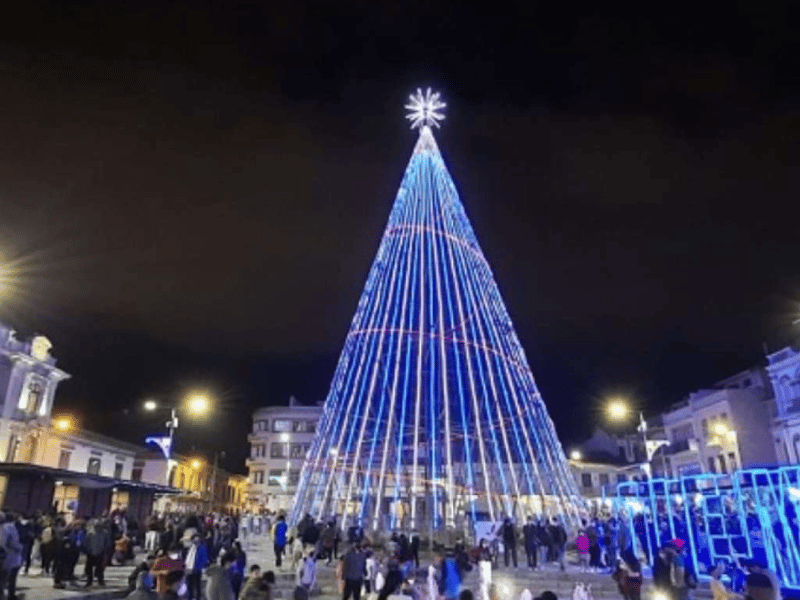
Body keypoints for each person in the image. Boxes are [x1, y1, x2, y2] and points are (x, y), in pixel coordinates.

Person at [1, 512, 23, 600]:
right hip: (7, 557)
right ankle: (10, 595)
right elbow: (12, 542)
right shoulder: (10, 527)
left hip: (5, 556)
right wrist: (19, 548)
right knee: (8, 578)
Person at [83, 518, 110, 587]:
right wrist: (87, 550)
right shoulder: (90, 532)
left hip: (100, 552)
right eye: (96, 525)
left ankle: (100, 581)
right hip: (91, 552)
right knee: (89, 568)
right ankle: (89, 581)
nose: (97, 527)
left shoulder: (104, 532)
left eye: (98, 525)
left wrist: (104, 550)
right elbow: (86, 542)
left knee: (100, 568)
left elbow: (107, 542)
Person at [186, 534, 210, 600]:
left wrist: (198, 568)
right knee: (189, 586)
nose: (195, 540)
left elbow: (203, 559)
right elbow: (188, 557)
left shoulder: (202, 548)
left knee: (197, 585)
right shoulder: (191, 547)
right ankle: (190, 597)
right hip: (189, 569)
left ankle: (198, 597)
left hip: (196, 569)